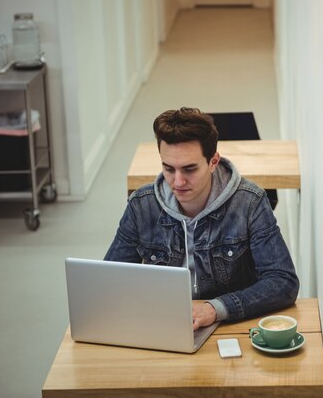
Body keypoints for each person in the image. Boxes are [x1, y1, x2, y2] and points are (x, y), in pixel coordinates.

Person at [105, 107, 299, 330]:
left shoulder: (249, 203)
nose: (178, 182)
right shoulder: (141, 205)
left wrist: (215, 309)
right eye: (168, 168)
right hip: (164, 325)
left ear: (213, 162)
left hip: (231, 326)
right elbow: (111, 282)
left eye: (189, 169)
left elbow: (283, 281)